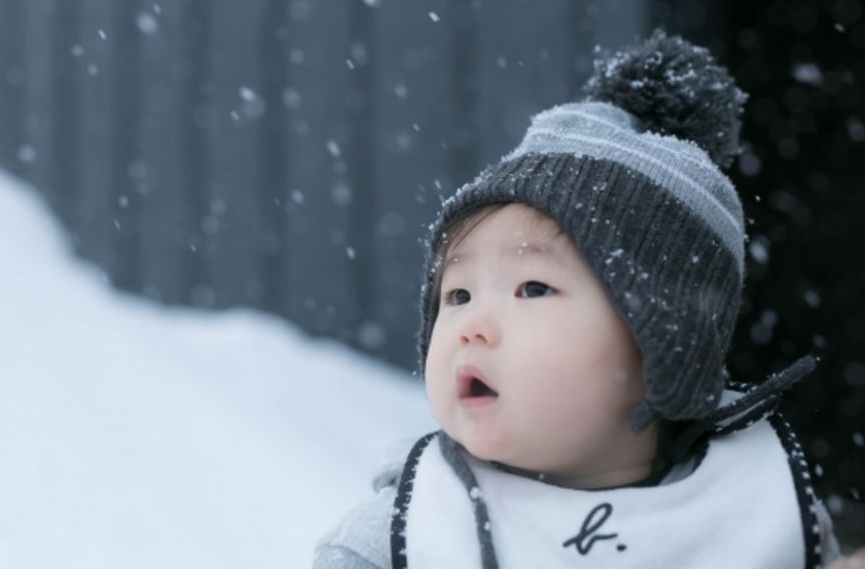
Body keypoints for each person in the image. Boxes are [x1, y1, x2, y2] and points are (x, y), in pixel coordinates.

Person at [314, 31, 857, 568]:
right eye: (457, 294)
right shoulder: (407, 535)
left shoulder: (757, 516)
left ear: (667, 340)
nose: (472, 324)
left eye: (533, 288)